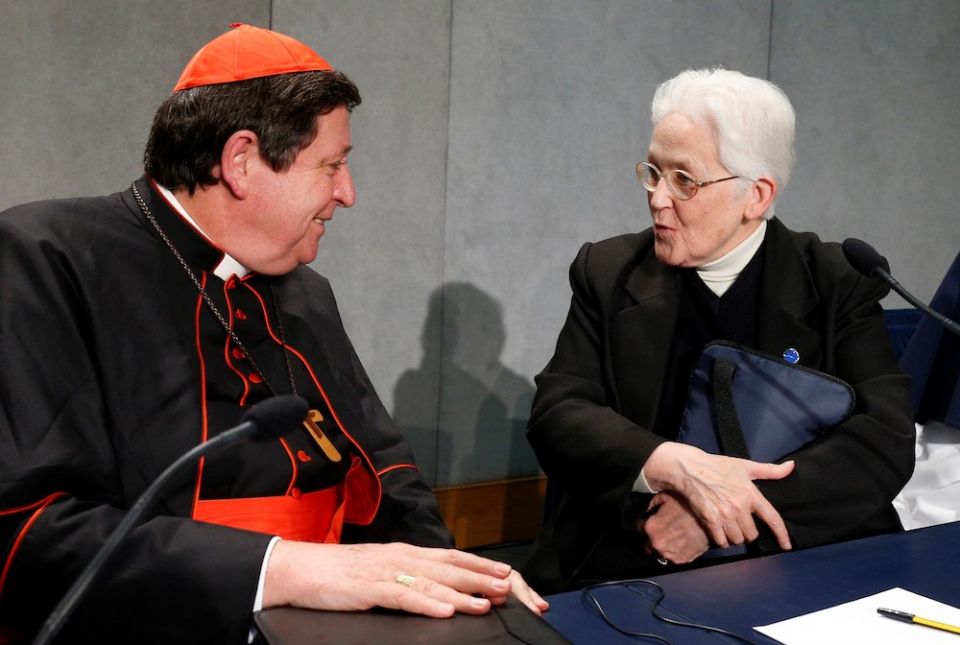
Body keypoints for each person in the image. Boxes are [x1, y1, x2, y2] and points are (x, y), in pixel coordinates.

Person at [0, 24, 546, 643]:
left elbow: (384, 465)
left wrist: (448, 592)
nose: (348, 194)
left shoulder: (304, 290)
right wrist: (281, 568)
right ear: (241, 161)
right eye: (332, 165)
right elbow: (25, 530)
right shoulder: (47, 258)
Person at [522, 68, 916, 593]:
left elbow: (883, 440)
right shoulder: (609, 271)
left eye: (685, 180)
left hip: (796, 558)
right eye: (653, 172)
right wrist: (671, 466)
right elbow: (559, 413)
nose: (658, 198)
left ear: (756, 196)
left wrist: (721, 513)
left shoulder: (835, 281)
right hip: (629, 551)